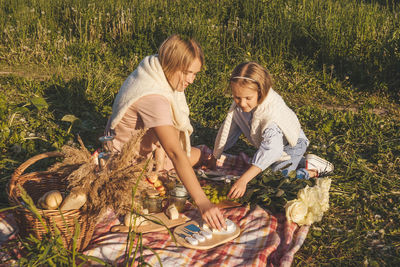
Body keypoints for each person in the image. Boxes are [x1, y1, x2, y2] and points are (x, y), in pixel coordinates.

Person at [105, 34, 226, 230]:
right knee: (186, 159)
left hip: (143, 150)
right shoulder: (153, 97)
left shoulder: (152, 71)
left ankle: (197, 158)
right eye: (188, 73)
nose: (192, 80)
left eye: (195, 74)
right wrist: (203, 202)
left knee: (196, 155)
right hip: (128, 164)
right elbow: (175, 152)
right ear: (173, 64)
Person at [210, 62, 334, 199]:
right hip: (274, 145)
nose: (242, 103)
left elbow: (272, 150)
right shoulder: (241, 106)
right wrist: (216, 155)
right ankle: (302, 162)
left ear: (260, 92)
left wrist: (243, 180)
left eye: (248, 98)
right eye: (237, 97)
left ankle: (311, 171)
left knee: (275, 180)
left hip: (292, 145)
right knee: (260, 170)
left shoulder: (270, 116)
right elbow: (230, 128)